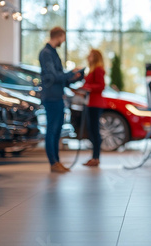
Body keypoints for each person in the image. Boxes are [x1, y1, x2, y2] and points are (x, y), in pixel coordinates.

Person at [39, 27, 84, 173]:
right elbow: (53, 77)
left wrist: (73, 77)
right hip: (51, 97)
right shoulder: (46, 53)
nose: (63, 41)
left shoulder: (52, 53)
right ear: (59, 36)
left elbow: (59, 78)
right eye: (63, 38)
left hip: (57, 96)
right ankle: (53, 162)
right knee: (52, 130)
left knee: (57, 130)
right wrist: (71, 73)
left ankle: (57, 162)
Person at [80, 49, 106, 167]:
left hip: (95, 103)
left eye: (90, 55)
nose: (87, 57)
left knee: (94, 131)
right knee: (92, 130)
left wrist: (88, 87)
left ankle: (96, 157)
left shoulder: (98, 69)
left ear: (95, 57)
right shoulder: (92, 69)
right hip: (90, 103)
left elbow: (101, 85)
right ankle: (95, 157)